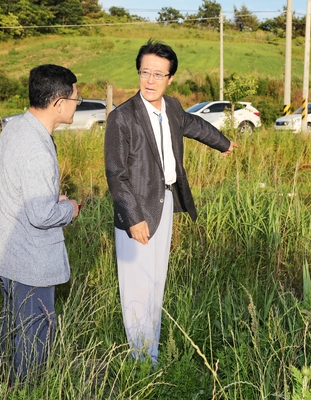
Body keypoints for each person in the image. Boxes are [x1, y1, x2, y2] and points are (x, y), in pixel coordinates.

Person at [104, 39, 238, 364]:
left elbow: (194, 125)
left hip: (165, 203)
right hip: (136, 210)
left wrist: (223, 143)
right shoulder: (123, 117)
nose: (150, 80)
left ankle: (152, 350)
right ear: (138, 73)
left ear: (169, 79)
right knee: (136, 288)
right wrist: (133, 218)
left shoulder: (173, 108)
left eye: (158, 74)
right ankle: (141, 361)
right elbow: (115, 174)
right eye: (145, 72)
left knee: (155, 281)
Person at [0, 64, 80, 381]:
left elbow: (20, 188)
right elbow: (41, 215)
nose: (78, 103)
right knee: (34, 336)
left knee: (14, 328)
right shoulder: (36, 148)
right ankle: (26, 388)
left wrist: (48, 198)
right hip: (30, 259)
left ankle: (6, 383)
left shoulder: (16, 127)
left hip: (8, 251)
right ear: (59, 103)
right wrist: (70, 208)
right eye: (77, 98)